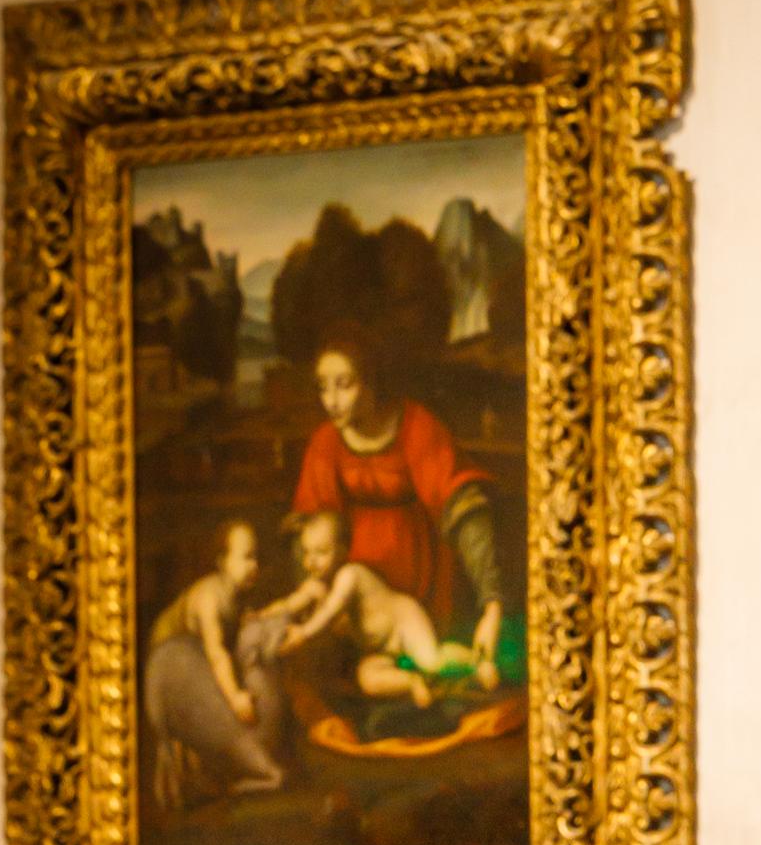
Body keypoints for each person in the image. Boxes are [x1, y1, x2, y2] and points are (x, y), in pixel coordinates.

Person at [287, 338, 504, 685]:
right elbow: (310, 531)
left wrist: (491, 605)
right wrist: (322, 600)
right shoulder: (326, 442)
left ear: (371, 380)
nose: (331, 401)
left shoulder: (415, 425)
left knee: (433, 665)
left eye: (344, 385)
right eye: (323, 388)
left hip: (422, 592)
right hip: (355, 602)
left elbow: (463, 504)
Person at [254, 510, 475, 710]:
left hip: (403, 622)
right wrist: (262, 614)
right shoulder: (316, 585)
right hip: (380, 648)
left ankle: (476, 660)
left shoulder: (350, 575)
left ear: (341, 551)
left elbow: (331, 610)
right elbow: (291, 602)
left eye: (321, 552)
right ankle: (411, 681)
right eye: (306, 553)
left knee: (432, 662)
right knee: (368, 680)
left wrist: (303, 633)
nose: (311, 562)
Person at [141, 519, 284, 800]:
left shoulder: (238, 596)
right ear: (222, 561)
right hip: (168, 662)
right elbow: (217, 653)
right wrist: (235, 698)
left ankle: (237, 770)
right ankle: (256, 770)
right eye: (245, 557)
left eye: (256, 557)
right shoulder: (210, 597)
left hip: (195, 660)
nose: (253, 565)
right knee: (223, 713)